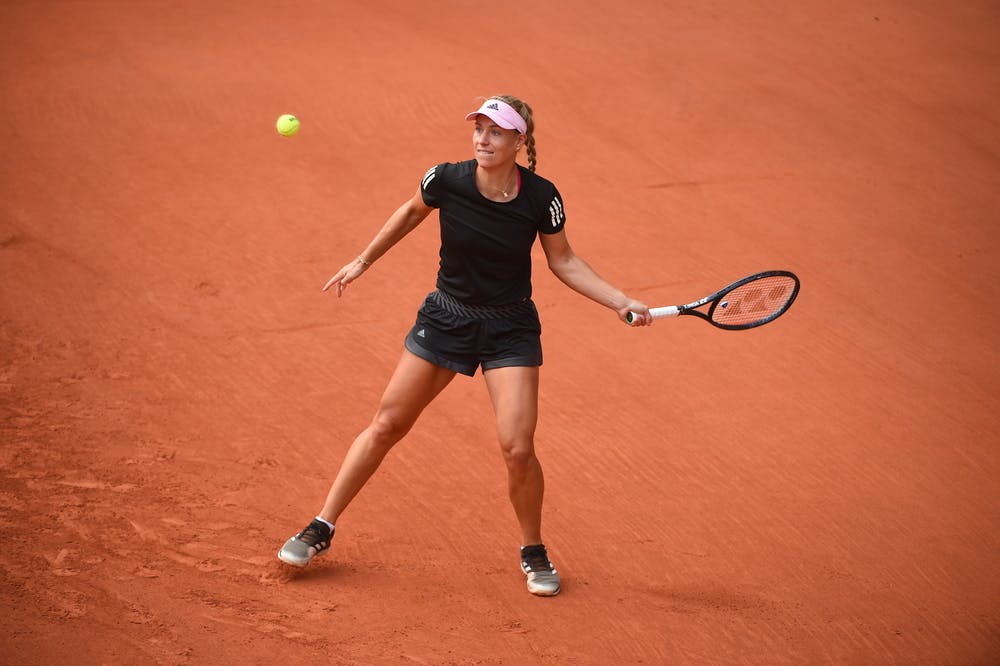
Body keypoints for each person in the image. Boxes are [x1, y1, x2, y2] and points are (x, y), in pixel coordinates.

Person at [277, 95, 652, 597]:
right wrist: (363, 261)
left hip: (510, 327)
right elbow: (410, 212)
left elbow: (563, 261)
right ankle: (320, 526)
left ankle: (533, 549)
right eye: (478, 128)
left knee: (518, 448)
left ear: (519, 141)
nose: (483, 139)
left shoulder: (541, 197)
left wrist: (619, 300)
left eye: (496, 132)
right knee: (388, 423)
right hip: (448, 317)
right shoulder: (447, 179)